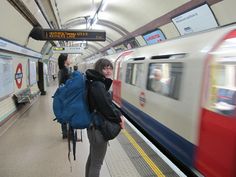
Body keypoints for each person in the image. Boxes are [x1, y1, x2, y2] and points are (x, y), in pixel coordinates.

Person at [85, 58, 125, 177]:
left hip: (93, 127)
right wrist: (119, 119)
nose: (108, 71)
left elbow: (105, 104)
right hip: (98, 129)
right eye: (104, 68)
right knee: (97, 164)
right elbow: (106, 107)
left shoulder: (96, 82)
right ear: (99, 69)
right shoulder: (98, 85)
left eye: (110, 68)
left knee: (92, 159)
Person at [58, 53, 71, 139]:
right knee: (70, 114)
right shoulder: (65, 70)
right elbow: (69, 83)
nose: (70, 60)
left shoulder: (61, 70)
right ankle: (69, 134)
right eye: (69, 58)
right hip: (67, 96)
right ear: (65, 60)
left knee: (64, 114)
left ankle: (65, 133)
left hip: (62, 95)